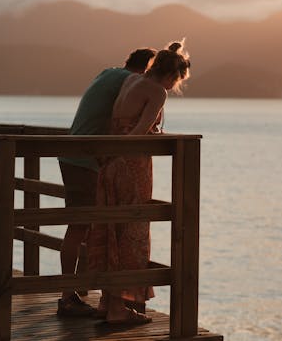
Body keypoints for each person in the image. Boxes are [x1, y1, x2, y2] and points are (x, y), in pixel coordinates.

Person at [87, 41, 191, 324]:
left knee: (112, 228)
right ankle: (119, 310)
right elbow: (139, 132)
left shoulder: (132, 80)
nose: (172, 88)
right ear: (171, 75)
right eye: (176, 81)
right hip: (131, 164)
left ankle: (108, 303)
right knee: (132, 232)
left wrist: (113, 152)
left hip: (111, 159)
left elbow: (119, 125)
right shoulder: (157, 91)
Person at [57, 47, 157, 317]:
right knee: (80, 228)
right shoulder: (132, 82)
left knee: (88, 229)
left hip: (74, 155)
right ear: (145, 71)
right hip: (85, 159)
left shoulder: (108, 73)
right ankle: (70, 296)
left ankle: (90, 296)